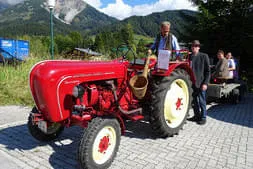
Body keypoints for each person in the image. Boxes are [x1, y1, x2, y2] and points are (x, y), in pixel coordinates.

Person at [188, 40, 210, 125]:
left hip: (201, 83)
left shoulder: (204, 56)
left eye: (196, 46)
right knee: (194, 101)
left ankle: (203, 117)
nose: (194, 47)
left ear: (199, 47)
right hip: (191, 83)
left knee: (202, 101)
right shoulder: (189, 56)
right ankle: (196, 115)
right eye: (193, 45)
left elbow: (208, 71)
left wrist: (205, 83)